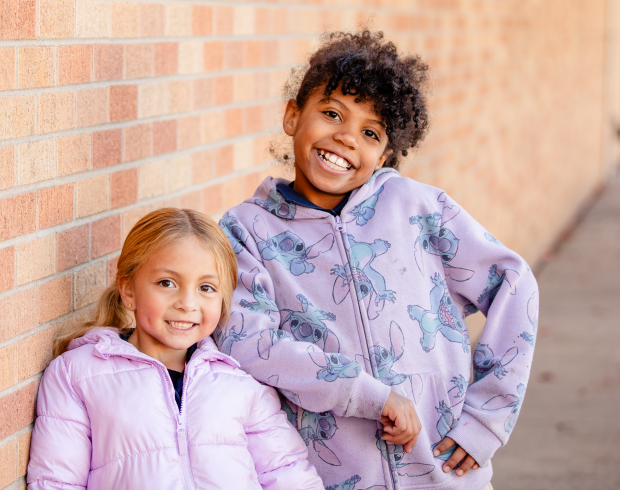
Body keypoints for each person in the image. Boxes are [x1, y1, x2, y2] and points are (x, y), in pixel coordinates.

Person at [215, 30, 537, 490]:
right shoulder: (247, 230)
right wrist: (367, 394)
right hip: (328, 476)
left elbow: (514, 282)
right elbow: (248, 342)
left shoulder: (420, 209)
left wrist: (487, 417)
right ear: (292, 116)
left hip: (444, 469)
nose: (346, 137)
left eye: (370, 132)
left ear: (385, 154)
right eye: (331, 114)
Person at [27, 208, 324, 490]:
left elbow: (288, 473)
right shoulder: (76, 374)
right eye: (167, 283)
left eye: (206, 288)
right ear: (129, 290)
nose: (187, 303)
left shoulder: (241, 385)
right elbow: (56, 482)